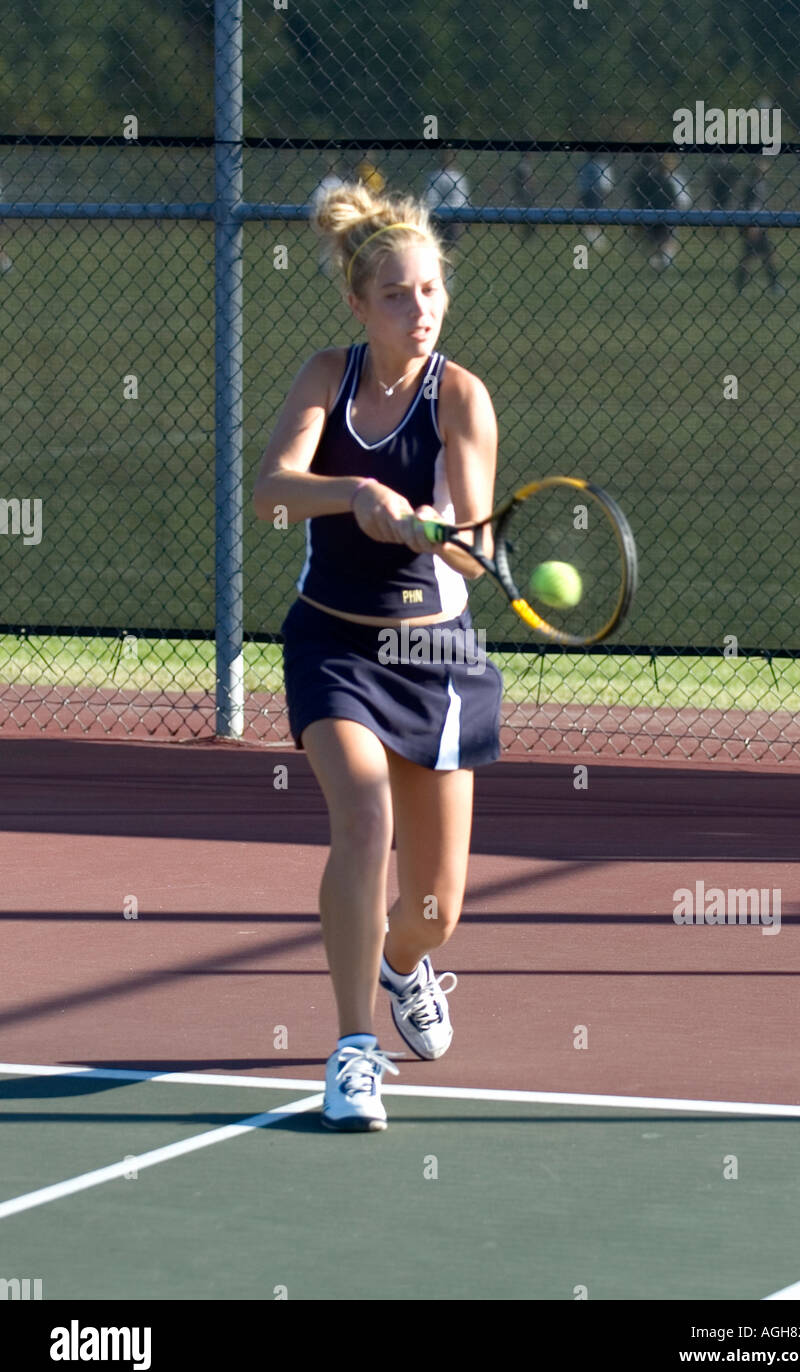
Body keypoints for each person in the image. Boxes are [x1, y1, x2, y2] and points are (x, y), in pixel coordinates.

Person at [254, 182, 503, 1133]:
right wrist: (354, 492)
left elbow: (474, 547)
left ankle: (405, 965)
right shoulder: (326, 376)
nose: (420, 310)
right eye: (397, 295)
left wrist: (428, 531)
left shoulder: (463, 398)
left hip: (435, 657)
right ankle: (353, 1050)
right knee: (362, 818)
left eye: (431, 291)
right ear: (360, 306)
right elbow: (272, 490)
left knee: (436, 908)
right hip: (333, 646)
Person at [735, 157, 785, 296]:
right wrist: (752, 226)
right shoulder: (754, 185)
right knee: (757, 256)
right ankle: (742, 285)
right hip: (755, 226)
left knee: (757, 256)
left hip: (758, 225)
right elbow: (750, 206)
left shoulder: (759, 184)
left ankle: (742, 285)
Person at [423, 150, 470, 278]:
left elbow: (430, 199)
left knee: (443, 251)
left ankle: (444, 277)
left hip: (441, 218)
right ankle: (445, 278)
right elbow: (461, 201)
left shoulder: (441, 177)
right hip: (449, 218)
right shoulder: (452, 177)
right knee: (446, 251)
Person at [629, 153, 680, 271]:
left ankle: (659, 260)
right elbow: (673, 198)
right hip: (662, 214)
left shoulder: (639, 179)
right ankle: (661, 260)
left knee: (655, 240)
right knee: (661, 239)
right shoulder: (661, 179)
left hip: (649, 214)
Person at [577, 155, 614, 249]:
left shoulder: (585, 166)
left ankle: (592, 238)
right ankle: (596, 239)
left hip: (587, 194)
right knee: (598, 216)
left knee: (588, 216)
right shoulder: (602, 165)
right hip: (597, 193)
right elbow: (607, 184)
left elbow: (581, 183)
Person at [510, 154, 537, 242]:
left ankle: (528, 235)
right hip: (524, 195)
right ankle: (527, 235)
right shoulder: (522, 167)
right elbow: (526, 181)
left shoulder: (525, 166)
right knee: (527, 216)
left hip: (527, 195)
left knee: (530, 216)